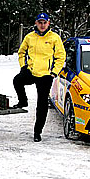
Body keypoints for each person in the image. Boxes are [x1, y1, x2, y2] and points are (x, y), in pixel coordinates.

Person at [12, 12, 66, 142]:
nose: (42, 25)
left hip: (45, 75)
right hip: (31, 71)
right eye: (40, 22)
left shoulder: (54, 38)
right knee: (17, 80)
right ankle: (23, 101)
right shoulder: (30, 37)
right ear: (36, 23)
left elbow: (60, 57)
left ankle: (37, 132)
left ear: (48, 23)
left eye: (44, 22)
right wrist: (23, 67)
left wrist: (54, 72)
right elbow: (21, 52)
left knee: (41, 105)